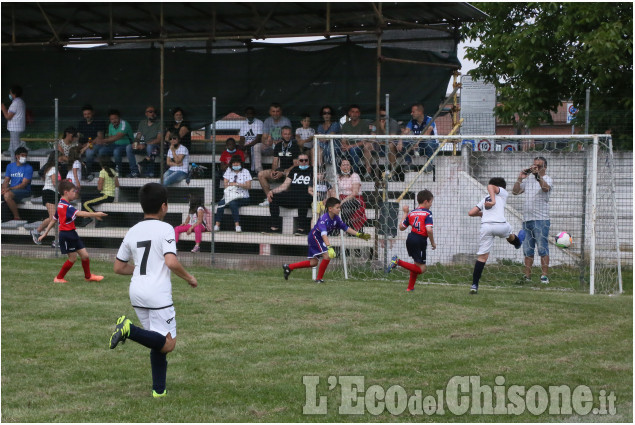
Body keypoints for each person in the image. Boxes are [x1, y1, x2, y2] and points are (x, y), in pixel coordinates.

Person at [110, 182, 198, 398]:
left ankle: (159, 390)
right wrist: (189, 277)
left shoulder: (133, 230)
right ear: (164, 206)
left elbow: (118, 267)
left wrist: (142, 270)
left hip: (137, 291)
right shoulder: (166, 228)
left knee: (156, 340)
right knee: (168, 344)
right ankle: (128, 329)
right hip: (157, 294)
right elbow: (171, 262)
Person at [282, 197, 371, 283]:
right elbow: (323, 235)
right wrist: (329, 247)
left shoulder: (336, 218)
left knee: (313, 263)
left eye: (339, 207)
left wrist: (359, 234)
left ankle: (289, 267)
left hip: (319, 238)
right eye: (337, 208)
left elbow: (345, 227)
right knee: (327, 256)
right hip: (315, 238)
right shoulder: (323, 220)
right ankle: (319, 279)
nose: (339, 209)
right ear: (330, 209)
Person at [37, 180, 106, 283]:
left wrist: (45, 233)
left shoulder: (61, 204)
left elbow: (54, 219)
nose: (75, 193)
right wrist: (96, 214)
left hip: (72, 233)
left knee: (85, 256)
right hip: (66, 235)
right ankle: (59, 278)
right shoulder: (66, 206)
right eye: (73, 191)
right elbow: (80, 213)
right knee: (72, 258)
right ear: (66, 192)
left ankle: (88, 277)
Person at [467, 177, 524, 294]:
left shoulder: (485, 199)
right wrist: (493, 202)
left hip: (486, 227)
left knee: (482, 258)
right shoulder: (503, 193)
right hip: (500, 225)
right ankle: (518, 243)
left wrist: (482, 214)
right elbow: (490, 186)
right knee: (509, 235)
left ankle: (474, 285)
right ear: (502, 187)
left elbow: (471, 212)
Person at [511, 156, 553, 284]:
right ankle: (527, 276)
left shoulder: (547, 179)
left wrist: (537, 176)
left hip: (541, 219)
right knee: (528, 249)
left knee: (542, 248)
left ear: (544, 168)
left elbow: (545, 188)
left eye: (538, 166)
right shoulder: (528, 181)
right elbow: (515, 192)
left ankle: (544, 276)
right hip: (527, 219)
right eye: (534, 165)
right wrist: (520, 178)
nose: (535, 168)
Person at [385, 190, 437, 291]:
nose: (431, 205)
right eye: (431, 202)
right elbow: (429, 230)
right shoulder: (427, 213)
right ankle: (397, 261)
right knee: (422, 269)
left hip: (410, 238)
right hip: (420, 240)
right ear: (426, 201)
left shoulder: (412, 213)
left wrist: (405, 213)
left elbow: (401, 227)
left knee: (416, 264)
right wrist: (433, 243)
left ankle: (410, 288)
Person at [266, 152, 312, 234]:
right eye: (301, 160)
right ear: (298, 161)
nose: (304, 162)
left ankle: (301, 228)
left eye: (306, 160)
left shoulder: (312, 170)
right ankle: (274, 227)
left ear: (309, 161)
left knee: (303, 198)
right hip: (293, 196)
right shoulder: (294, 170)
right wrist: (271, 191)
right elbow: (284, 186)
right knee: (274, 197)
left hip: (306, 196)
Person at [257, 126, 300, 207]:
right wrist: (274, 171)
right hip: (280, 169)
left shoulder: (295, 146)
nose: (287, 136)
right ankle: (269, 198)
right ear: (281, 135)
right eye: (285, 134)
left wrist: (283, 172)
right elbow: (275, 161)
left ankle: (284, 200)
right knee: (261, 174)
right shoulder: (278, 145)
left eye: (289, 134)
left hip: (290, 170)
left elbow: (296, 164)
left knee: (288, 174)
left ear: (291, 135)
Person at [86, 109, 134, 175]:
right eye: (111, 119)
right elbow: (111, 138)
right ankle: (106, 170)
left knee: (116, 151)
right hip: (114, 144)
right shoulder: (110, 125)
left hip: (126, 145)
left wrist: (103, 140)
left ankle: (119, 172)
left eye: (115, 118)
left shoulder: (124, 124)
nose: (114, 121)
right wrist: (105, 142)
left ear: (119, 117)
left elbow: (117, 137)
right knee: (102, 150)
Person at [214, 155, 251, 233]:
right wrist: (231, 184)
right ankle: (217, 225)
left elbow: (248, 186)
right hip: (230, 196)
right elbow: (225, 185)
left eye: (237, 163)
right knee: (221, 203)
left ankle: (237, 225)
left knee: (232, 203)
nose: (235, 165)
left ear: (241, 163)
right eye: (234, 163)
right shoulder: (228, 171)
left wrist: (238, 184)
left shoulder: (245, 171)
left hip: (243, 197)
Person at [78, 157, 119, 228]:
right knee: (84, 197)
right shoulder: (113, 171)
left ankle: (98, 218)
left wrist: (100, 183)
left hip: (106, 195)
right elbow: (117, 184)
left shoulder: (102, 172)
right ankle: (85, 218)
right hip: (110, 195)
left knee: (86, 204)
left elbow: (99, 188)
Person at [252, 103, 292, 174]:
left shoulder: (286, 121)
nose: (275, 113)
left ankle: (279, 173)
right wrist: (267, 142)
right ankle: (259, 172)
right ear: (270, 112)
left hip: (282, 146)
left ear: (281, 112)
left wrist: (280, 142)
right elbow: (264, 137)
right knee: (256, 146)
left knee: (281, 149)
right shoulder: (267, 121)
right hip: (270, 146)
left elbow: (288, 137)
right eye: (273, 111)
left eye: (277, 111)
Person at [329, 159, 367, 231]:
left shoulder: (354, 176)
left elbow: (355, 192)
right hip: (340, 198)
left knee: (344, 206)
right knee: (331, 205)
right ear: (340, 167)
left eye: (347, 165)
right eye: (343, 165)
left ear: (351, 166)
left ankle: (346, 229)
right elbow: (333, 190)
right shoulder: (337, 177)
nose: (345, 166)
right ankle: (336, 229)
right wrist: (335, 200)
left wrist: (343, 201)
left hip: (354, 198)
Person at [31, 152, 58, 244]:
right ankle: (57, 240)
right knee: (54, 218)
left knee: (53, 218)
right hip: (49, 193)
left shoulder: (54, 168)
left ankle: (37, 231)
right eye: (62, 156)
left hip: (54, 194)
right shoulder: (53, 168)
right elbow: (55, 183)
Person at [401, 103, 438, 173]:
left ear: (420, 112)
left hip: (432, 145)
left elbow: (427, 133)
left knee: (428, 142)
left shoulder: (429, 119)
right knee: (404, 142)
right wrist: (400, 141)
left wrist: (417, 142)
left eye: (413, 112)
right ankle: (409, 163)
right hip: (419, 146)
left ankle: (429, 164)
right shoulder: (412, 121)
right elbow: (406, 131)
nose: (411, 113)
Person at [127, 105, 162, 177]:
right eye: (150, 112)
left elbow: (159, 139)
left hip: (156, 148)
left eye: (154, 112)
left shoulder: (159, 123)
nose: (152, 113)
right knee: (129, 147)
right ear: (146, 113)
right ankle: (134, 172)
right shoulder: (142, 123)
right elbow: (138, 137)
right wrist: (136, 143)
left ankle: (150, 173)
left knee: (149, 147)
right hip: (145, 146)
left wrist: (144, 145)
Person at [341, 104, 373, 179]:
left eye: (356, 112)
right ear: (349, 113)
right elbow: (343, 139)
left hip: (360, 148)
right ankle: (339, 174)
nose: (354, 114)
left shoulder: (364, 123)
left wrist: (350, 146)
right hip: (347, 148)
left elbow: (364, 141)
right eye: (352, 112)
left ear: (359, 114)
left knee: (353, 150)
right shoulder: (345, 125)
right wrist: (344, 145)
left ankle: (354, 173)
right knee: (336, 150)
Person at [1, 147, 33, 222]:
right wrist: (3, 189)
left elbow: (23, 185)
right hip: (11, 190)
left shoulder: (29, 168)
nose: (24, 157)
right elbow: (6, 180)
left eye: (25, 155)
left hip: (24, 191)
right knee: (6, 194)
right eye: (22, 155)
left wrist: (9, 189)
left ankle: (17, 217)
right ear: (17, 156)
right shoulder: (10, 166)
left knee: (7, 195)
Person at [77, 104, 106, 175]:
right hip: (85, 144)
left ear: (93, 113)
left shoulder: (99, 122)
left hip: (97, 144)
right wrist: (78, 145)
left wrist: (86, 146)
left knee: (89, 152)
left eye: (89, 114)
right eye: (85, 114)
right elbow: (78, 136)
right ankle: (77, 172)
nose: (87, 116)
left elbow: (99, 137)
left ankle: (88, 172)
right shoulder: (81, 123)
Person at [1, 85, 26, 158]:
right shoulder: (20, 101)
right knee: (12, 148)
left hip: (15, 129)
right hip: (16, 128)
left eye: (10, 93)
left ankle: (20, 163)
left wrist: (3, 108)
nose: (10, 94)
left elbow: (8, 116)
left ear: (14, 94)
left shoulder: (15, 103)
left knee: (16, 148)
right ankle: (13, 164)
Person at [238, 106, 263, 171]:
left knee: (252, 149)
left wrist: (248, 146)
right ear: (245, 115)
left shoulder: (259, 122)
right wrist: (241, 146)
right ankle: (238, 171)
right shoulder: (244, 124)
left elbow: (258, 138)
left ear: (254, 114)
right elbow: (242, 138)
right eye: (248, 114)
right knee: (238, 151)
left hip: (255, 144)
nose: (250, 115)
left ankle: (254, 171)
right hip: (246, 145)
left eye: (251, 113)